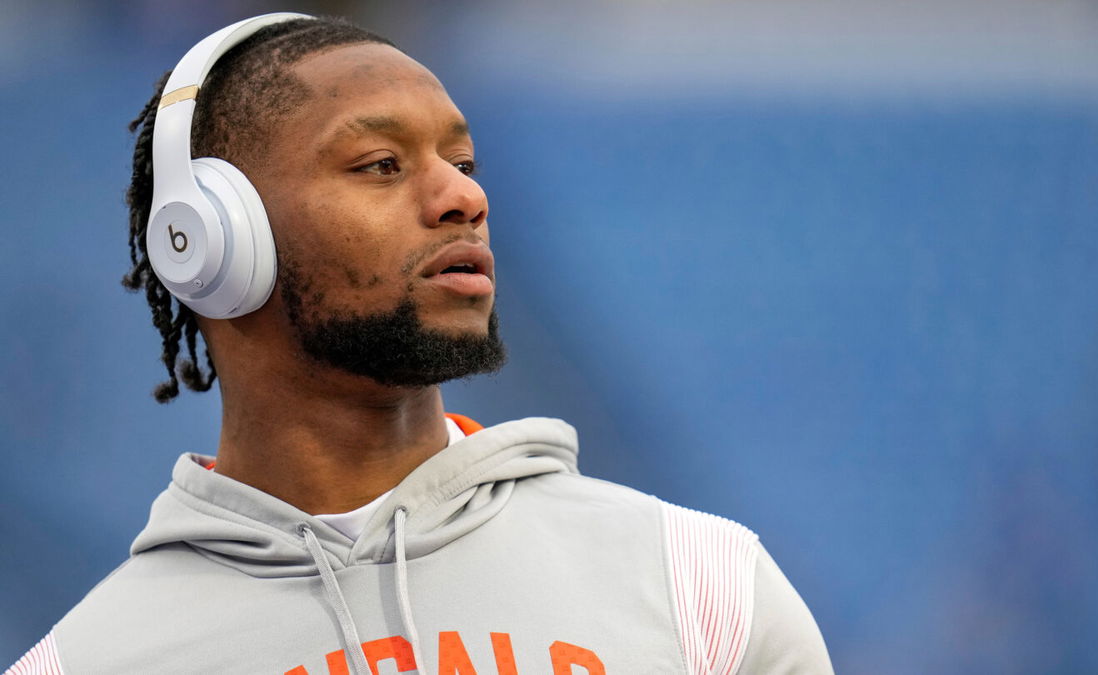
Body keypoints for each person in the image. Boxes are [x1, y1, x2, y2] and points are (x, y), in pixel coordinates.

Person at [6, 13, 833, 675]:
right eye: (380, 164)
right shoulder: (92, 660)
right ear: (213, 240)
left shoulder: (705, 589)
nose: (462, 195)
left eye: (462, 159)